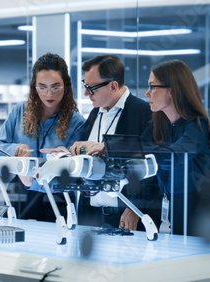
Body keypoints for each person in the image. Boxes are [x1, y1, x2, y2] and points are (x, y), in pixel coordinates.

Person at [64, 54, 162, 231]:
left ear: (113, 86)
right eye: (85, 86)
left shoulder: (145, 113)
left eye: (91, 88)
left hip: (126, 215)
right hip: (90, 214)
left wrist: (135, 207)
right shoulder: (95, 113)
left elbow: (153, 166)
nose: (86, 93)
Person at [0, 53, 85, 221]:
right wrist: (16, 150)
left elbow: (75, 176)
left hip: (55, 201)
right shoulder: (20, 111)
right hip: (17, 198)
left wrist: (32, 181)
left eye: (55, 87)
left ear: (66, 86)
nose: (49, 94)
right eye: (42, 87)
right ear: (34, 87)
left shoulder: (77, 123)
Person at [141, 59, 210, 240]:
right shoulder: (160, 125)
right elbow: (135, 149)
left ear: (172, 91)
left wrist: (129, 150)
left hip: (203, 219)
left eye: (152, 86)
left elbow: (171, 158)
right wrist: (107, 149)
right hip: (176, 212)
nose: (147, 93)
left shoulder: (198, 125)